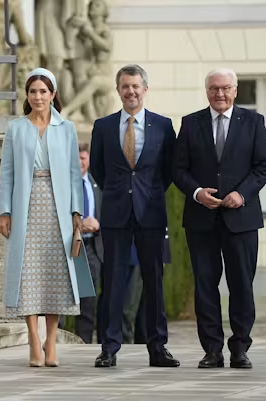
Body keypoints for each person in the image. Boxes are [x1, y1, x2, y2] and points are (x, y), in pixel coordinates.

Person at [173, 68, 266, 369]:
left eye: (226, 88)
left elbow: (263, 166)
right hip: (201, 219)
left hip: (241, 219)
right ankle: (212, 350)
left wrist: (242, 194)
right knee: (205, 285)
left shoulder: (253, 122)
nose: (220, 93)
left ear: (235, 90)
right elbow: (178, 169)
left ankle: (240, 348)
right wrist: (197, 193)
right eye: (214, 88)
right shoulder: (191, 123)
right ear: (207, 91)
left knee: (241, 285)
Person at [0, 67, 94, 368]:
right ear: (27, 95)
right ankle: (33, 339)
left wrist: (77, 212)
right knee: (28, 274)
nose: (37, 96)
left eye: (43, 91)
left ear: (53, 95)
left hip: (58, 209)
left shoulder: (66, 128)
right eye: (32, 91)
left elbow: (74, 173)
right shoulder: (16, 128)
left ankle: (51, 341)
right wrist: (4, 211)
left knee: (56, 275)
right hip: (25, 207)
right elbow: (7, 172)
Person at [89, 64, 179, 368]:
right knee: (113, 282)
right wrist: (120, 193)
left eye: (135, 86)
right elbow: (98, 169)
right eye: (125, 86)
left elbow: (168, 170)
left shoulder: (163, 126)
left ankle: (158, 348)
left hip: (151, 212)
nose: (131, 91)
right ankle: (109, 348)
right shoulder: (103, 126)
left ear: (145, 89)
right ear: (118, 90)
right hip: (115, 214)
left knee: (154, 282)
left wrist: (147, 193)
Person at [73, 142, 103, 344]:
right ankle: (56, 341)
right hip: (70, 247)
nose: (80, 162)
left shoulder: (97, 184)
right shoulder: (65, 184)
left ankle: (84, 343)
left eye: (83, 158)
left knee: (88, 300)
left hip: (92, 248)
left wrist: (98, 225)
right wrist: (80, 225)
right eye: (76, 158)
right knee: (64, 297)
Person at [122, 231, 171, 345]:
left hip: (151, 250)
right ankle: (124, 344)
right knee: (128, 308)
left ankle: (144, 345)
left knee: (147, 309)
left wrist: (163, 253)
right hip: (132, 252)